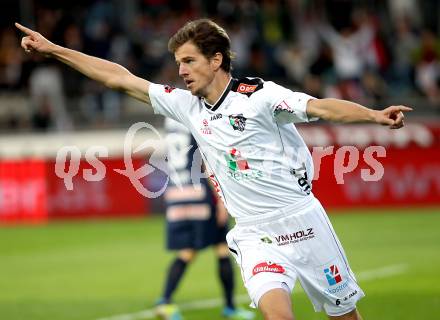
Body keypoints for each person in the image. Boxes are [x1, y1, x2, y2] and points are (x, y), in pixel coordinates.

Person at [16, 19, 411, 320]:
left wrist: (375, 115)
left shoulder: (259, 97)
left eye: (189, 61)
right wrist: (55, 50)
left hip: (303, 222)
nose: (182, 70)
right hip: (255, 233)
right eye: (178, 62)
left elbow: (322, 107)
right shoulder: (186, 105)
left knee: (345, 316)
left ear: (216, 59)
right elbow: (121, 78)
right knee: (278, 314)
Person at [156, 117, 254, 320]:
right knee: (221, 248)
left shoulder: (170, 121)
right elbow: (205, 162)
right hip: (200, 194)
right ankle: (229, 307)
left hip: (176, 194)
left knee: (187, 251)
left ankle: (164, 302)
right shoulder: (195, 116)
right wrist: (220, 200)